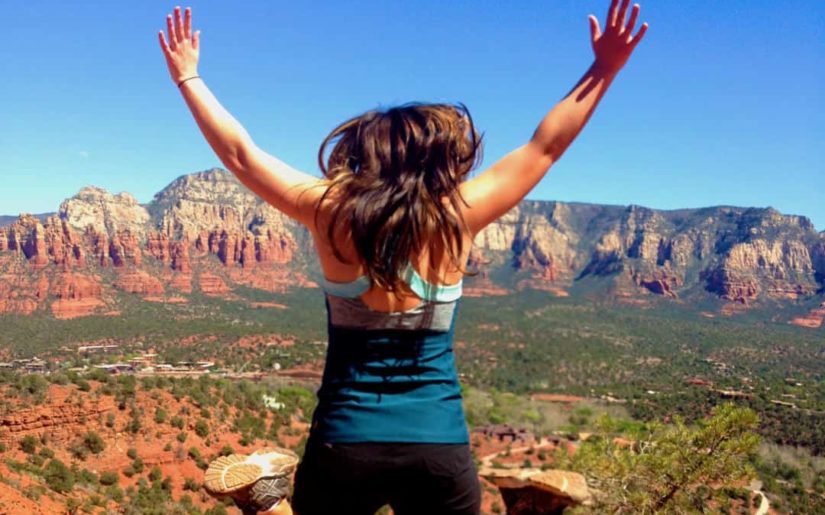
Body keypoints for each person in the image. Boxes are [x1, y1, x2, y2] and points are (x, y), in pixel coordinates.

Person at [158, 1, 647, 513]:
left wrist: (189, 78)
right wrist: (604, 67)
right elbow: (544, 147)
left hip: (344, 442)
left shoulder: (330, 213)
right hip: (437, 446)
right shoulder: (458, 217)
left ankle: (262, 500)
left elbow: (241, 154)